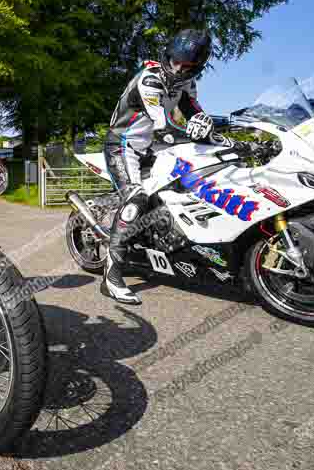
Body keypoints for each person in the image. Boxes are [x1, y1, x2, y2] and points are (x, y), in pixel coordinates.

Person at [100, 29, 234, 305]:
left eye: (187, 66)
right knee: (135, 199)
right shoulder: (149, 79)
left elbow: (196, 114)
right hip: (124, 145)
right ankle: (111, 276)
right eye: (175, 61)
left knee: (186, 179)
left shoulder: (188, 82)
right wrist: (198, 130)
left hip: (152, 145)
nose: (178, 69)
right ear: (167, 54)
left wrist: (223, 138)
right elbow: (164, 126)